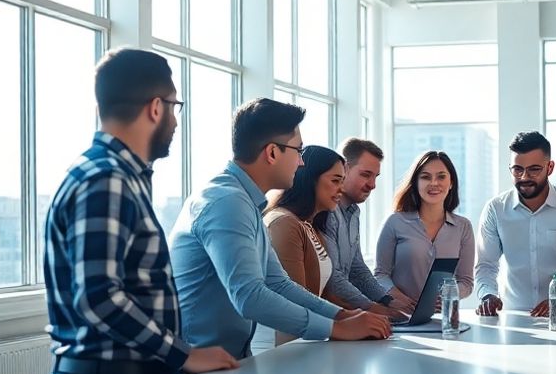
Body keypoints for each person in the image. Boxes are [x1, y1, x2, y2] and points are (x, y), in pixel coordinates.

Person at [43, 48, 236, 374]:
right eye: (175, 107)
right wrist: (184, 355)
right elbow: (98, 295)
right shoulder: (107, 179)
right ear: (155, 108)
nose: (176, 121)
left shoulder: (117, 176)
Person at [171, 99, 391, 359]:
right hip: (199, 372)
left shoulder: (246, 202)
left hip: (231, 361)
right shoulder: (227, 202)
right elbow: (250, 296)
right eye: (298, 151)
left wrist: (343, 316)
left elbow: (278, 283)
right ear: (272, 152)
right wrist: (335, 328)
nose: (301, 162)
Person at [475, 131, 556, 317]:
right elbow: (486, 266)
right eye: (517, 169)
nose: (525, 177)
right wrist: (488, 295)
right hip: (512, 318)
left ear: (550, 167)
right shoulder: (495, 209)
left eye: (534, 169)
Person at [320, 138, 414, 318]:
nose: (372, 184)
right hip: (331, 317)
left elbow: (357, 269)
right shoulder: (326, 212)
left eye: (375, 176)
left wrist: (388, 300)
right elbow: (333, 277)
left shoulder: (353, 212)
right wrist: (375, 308)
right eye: (365, 174)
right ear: (344, 169)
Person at [264, 145, 347, 345]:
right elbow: (293, 303)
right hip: (279, 352)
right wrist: (346, 325)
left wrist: (359, 317)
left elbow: (321, 298)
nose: (341, 190)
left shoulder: (310, 226)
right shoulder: (283, 223)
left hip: (303, 343)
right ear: (309, 179)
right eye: (335, 181)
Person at [375, 151, 475, 304]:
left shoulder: (463, 227)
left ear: (452, 182)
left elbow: (466, 282)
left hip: (444, 319)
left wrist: (447, 296)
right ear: (416, 183)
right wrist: (404, 301)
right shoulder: (395, 222)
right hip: (401, 316)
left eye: (441, 176)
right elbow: (381, 275)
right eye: (425, 177)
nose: (434, 183)